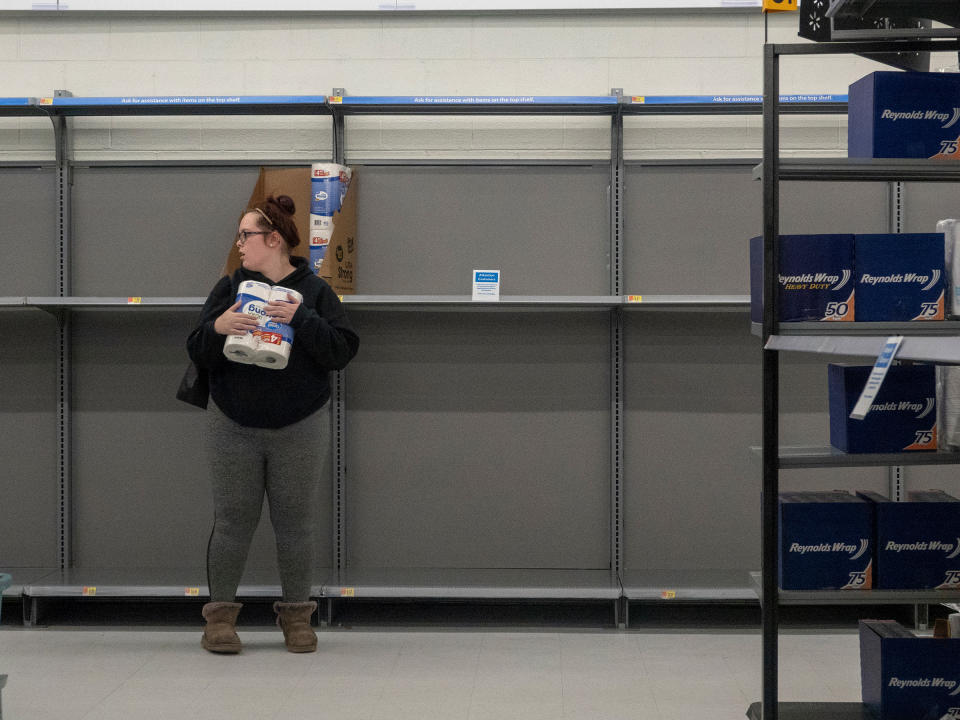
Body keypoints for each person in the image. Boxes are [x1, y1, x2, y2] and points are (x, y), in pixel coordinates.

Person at [186, 194, 359, 654]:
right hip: (232, 425)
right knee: (232, 523)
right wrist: (219, 326)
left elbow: (341, 351)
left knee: (295, 525)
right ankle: (218, 620)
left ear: (274, 239)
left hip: (300, 425)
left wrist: (300, 317)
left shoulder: (316, 291)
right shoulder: (229, 287)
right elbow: (196, 348)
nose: (239, 244)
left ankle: (298, 620)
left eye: (246, 235)